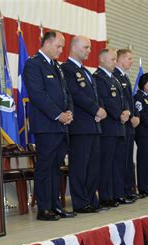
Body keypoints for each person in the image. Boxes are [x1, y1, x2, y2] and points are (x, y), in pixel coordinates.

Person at [23, 30, 76, 221]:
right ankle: (44, 209)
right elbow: (38, 95)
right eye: (58, 46)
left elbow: (66, 93)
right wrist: (58, 115)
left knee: (56, 167)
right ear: (47, 43)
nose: (61, 50)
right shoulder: (33, 64)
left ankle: (56, 205)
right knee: (45, 167)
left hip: (62, 125)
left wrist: (69, 113)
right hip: (46, 125)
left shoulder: (57, 67)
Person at [61, 35, 106, 214]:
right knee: (80, 166)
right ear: (74, 48)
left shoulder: (86, 71)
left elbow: (96, 94)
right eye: (86, 47)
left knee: (93, 166)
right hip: (80, 126)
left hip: (94, 125)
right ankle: (80, 202)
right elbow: (75, 94)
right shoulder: (67, 69)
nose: (89, 51)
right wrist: (95, 109)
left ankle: (90, 200)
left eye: (89, 48)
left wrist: (101, 109)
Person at [94, 48, 130, 208]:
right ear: (102, 60)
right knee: (106, 164)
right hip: (108, 127)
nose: (115, 62)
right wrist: (120, 114)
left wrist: (127, 111)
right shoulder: (98, 77)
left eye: (116, 59)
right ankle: (105, 196)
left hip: (119, 126)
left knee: (118, 163)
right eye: (112, 59)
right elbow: (106, 100)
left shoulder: (114, 79)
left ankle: (118, 194)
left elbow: (124, 99)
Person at [114, 49, 140, 201]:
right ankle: (122, 191)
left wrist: (135, 115)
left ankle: (129, 189)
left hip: (129, 125)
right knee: (121, 160)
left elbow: (129, 101)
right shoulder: (116, 76)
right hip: (121, 123)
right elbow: (120, 101)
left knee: (128, 160)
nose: (131, 62)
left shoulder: (125, 77)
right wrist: (128, 114)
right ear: (120, 59)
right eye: (129, 58)